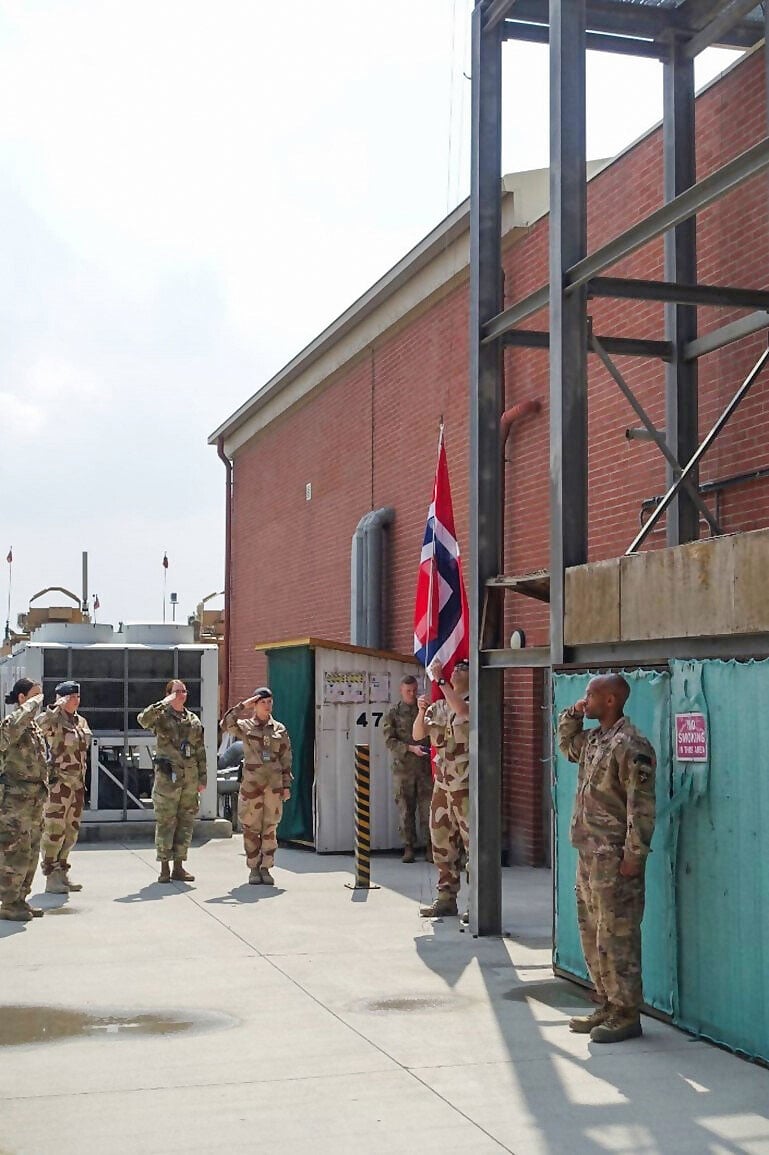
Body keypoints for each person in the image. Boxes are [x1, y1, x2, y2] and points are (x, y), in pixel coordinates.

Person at [558, 674, 656, 1044]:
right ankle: (608, 1003)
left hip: (614, 858)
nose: (586, 699)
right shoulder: (596, 739)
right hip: (589, 853)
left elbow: (641, 806)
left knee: (618, 935)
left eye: (591, 695)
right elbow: (566, 745)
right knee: (593, 931)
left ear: (611, 700)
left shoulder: (632, 745)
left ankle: (627, 1013)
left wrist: (635, 855)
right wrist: (574, 712)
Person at [413, 658, 470, 918]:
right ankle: (446, 898)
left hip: (467, 785)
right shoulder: (438, 707)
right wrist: (420, 710)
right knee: (441, 842)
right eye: (455, 668)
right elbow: (417, 735)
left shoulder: (474, 701)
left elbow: (462, 712)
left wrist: (442, 681)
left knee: (473, 846)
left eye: (463, 669)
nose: (457, 671)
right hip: (443, 784)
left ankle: (479, 903)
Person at [137, 679, 207, 883]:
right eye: (176, 691)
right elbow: (143, 719)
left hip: (189, 780)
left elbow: (200, 751)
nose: (181, 694)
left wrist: (203, 777)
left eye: (184, 691)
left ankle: (179, 866)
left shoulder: (193, 720)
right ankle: (164, 867)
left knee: (186, 822)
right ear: (168, 694)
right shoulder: (161, 717)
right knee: (166, 822)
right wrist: (164, 702)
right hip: (168, 780)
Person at [221, 687, 292, 886]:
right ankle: (253, 868)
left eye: (270, 702)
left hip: (273, 787)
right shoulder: (245, 726)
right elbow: (225, 724)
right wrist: (244, 705)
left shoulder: (279, 729)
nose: (268, 706)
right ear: (256, 705)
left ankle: (266, 868)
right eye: (263, 702)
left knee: (270, 828)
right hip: (252, 786)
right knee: (251, 828)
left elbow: (286, 759)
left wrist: (286, 785)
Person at [0, 679, 48, 921]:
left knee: (31, 851)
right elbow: (13, 728)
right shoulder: (12, 723)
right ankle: (8, 902)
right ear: (22, 698)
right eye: (34, 695)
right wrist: (32, 704)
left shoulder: (34, 729)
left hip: (35, 798)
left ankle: (21, 898)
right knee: (14, 851)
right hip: (15, 800)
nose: (40, 700)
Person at [38, 681, 92, 895]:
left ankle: (62, 871)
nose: (75, 701)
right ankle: (51, 876)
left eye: (77, 697)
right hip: (59, 785)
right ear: (61, 698)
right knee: (54, 831)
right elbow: (39, 724)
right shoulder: (54, 720)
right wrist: (55, 708)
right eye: (70, 697)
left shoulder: (81, 721)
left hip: (77, 784)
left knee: (71, 832)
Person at [383, 674, 433, 863]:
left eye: (414, 691)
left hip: (425, 770)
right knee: (405, 810)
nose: (412, 694)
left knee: (427, 810)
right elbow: (389, 740)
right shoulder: (393, 713)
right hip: (403, 770)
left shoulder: (425, 711)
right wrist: (410, 748)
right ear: (401, 691)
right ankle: (409, 847)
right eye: (408, 691)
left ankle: (430, 847)